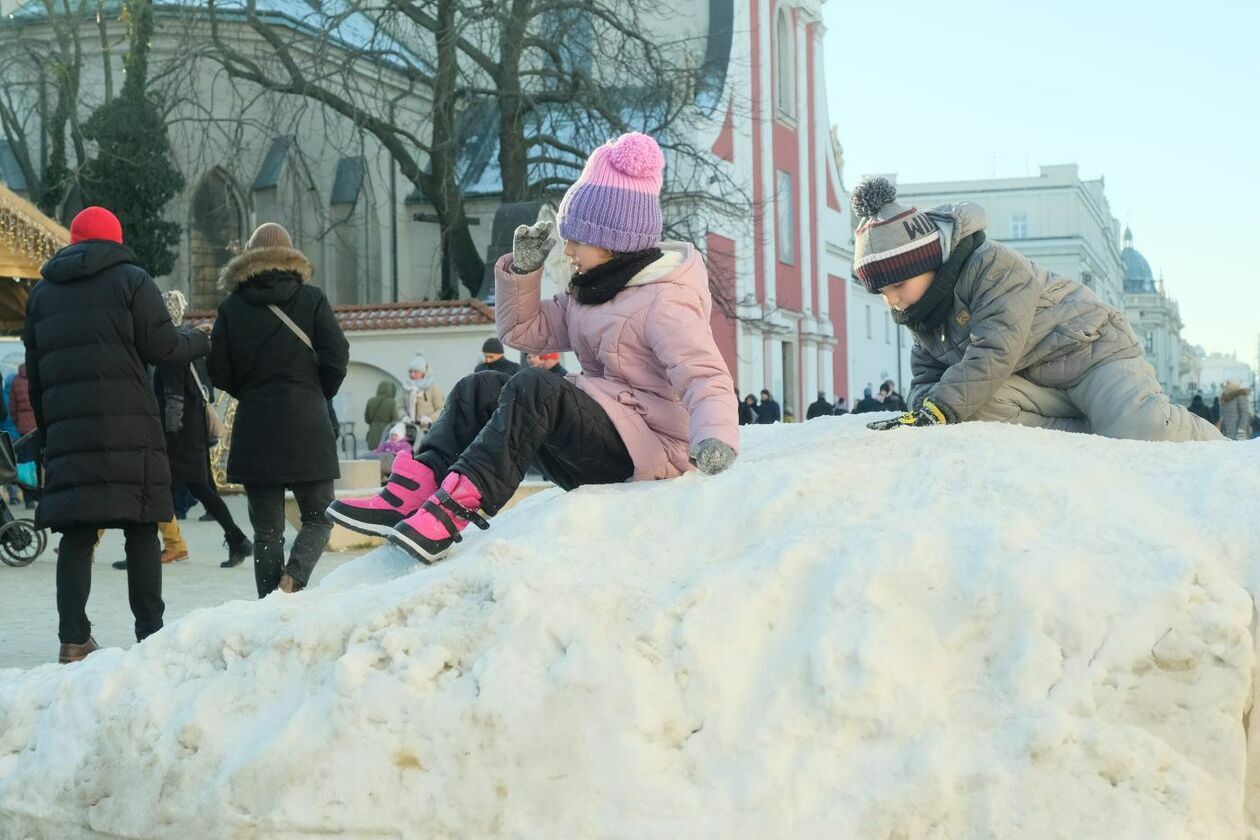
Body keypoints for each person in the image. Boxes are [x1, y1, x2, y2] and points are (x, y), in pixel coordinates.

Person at [329, 132, 739, 562]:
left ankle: (454, 510)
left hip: (648, 452)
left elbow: (704, 373)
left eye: (577, 240)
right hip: (603, 435)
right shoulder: (593, 292)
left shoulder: (664, 300)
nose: (568, 250)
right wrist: (525, 272)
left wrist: (715, 439)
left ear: (612, 240)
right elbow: (523, 331)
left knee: (535, 386)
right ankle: (409, 493)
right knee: (481, 386)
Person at [847, 177, 1220, 441]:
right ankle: (1094, 436)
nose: (893, 300)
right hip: (1035, 382)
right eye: (882, 292)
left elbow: (994, 350)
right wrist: (924, 409)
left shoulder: (992, 265)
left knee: (1140, 430)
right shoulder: (925, 313)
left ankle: (1215, 444)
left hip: (1090, 355)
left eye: (898, 285)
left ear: (929, 262)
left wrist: (938, 408)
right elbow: (927, 379)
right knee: (971, 411)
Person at [24, 206, 210, 664]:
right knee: (142, 530)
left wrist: (49, 431)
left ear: (73, 240)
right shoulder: (132, 280)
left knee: (77, 535)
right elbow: (163, 347)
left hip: (69, 431)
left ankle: (73, 639)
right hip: (130, 427)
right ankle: (149, 635)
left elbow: (36, 376)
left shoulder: (42, 294)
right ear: (116, 238)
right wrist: (200, 339)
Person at [208, 222, 349, 596]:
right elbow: (337, 355)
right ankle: (294, 580)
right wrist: (318, 392)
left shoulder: (231, 307)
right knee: (319, 517)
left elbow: (217, 370)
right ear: (290, 257)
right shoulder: (312, 299)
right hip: (307, 422)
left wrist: (251, 391)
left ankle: (269, 606)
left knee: (267, 531)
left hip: (257, 425)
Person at [154, 291, 252, 569]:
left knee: (173, 486)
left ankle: (235, 539)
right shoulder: (191, 344)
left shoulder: (169, 348)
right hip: (194, 427)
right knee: (196, 487)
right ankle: (233, 539)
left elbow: (173, 397)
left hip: (180, 432)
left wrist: (169, 435)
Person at [401, 352, 445, 433]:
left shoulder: (433, 387)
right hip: (409, 430)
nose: (412, 374)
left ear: (423, 373)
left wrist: (430, 419)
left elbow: (441, 409)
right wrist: (404, 417)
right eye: (410, 371)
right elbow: (399, 407)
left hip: (428, 429)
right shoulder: (406, 388)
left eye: (416, 371)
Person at [364, 381, 400, 449]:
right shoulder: (392, 402)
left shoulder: (371, 401)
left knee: (373, 456)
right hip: (386, 433)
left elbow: (367, 419)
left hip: (372, 433)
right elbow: (395, 420)